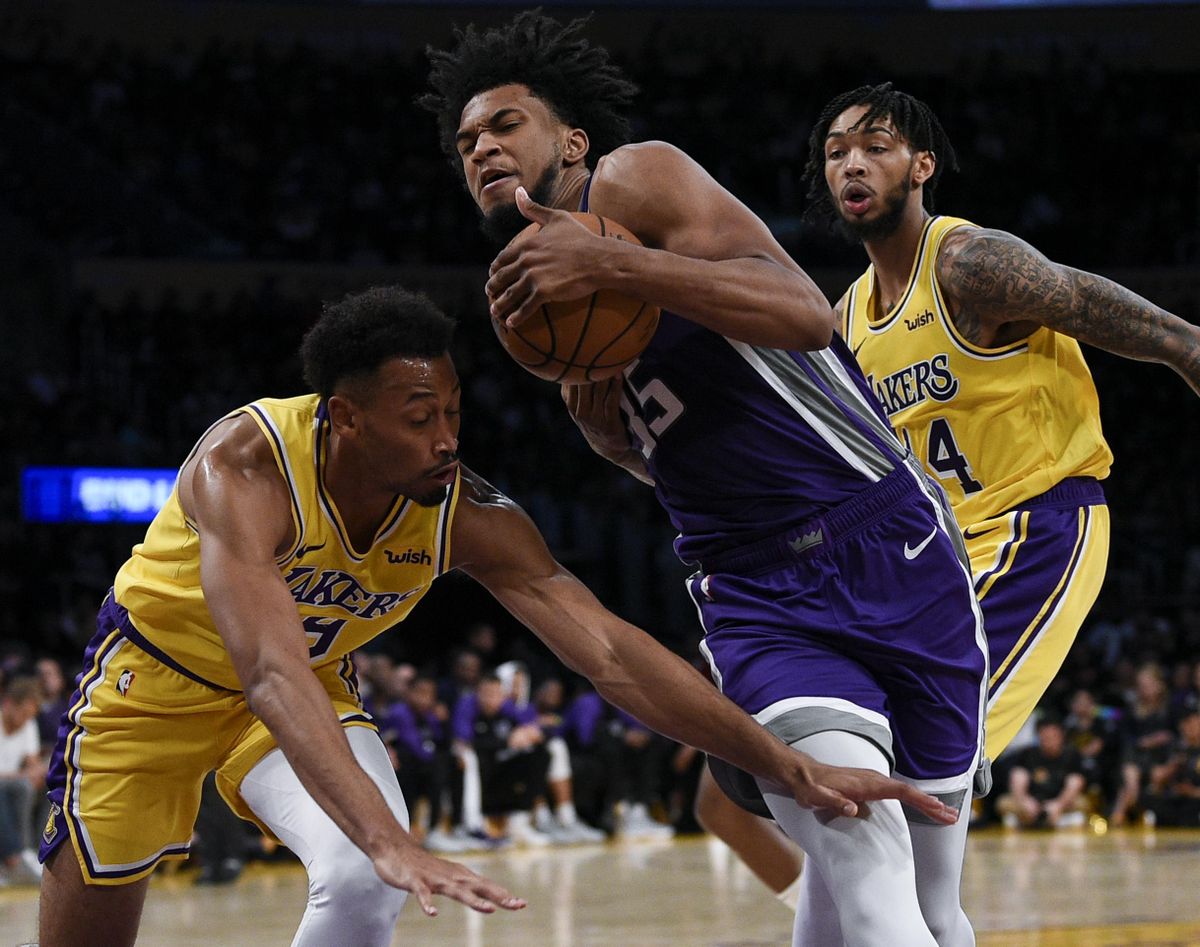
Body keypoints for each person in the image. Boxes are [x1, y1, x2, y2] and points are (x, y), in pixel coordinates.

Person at [37, 285, 953, 947]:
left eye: (454, 410)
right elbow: (267, 666)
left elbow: (610, 653)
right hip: (149, 691)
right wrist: (394, 836)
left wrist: (785, 764)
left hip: (298, 696)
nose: (447, 437)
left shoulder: (465, 511)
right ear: (346, 419)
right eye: (419, 416)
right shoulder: (244, 464)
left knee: (360, 881)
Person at [422, 13, 988, 945]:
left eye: (503, 125)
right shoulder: (531, 292)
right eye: (466, 141)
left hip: (889, 534)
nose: (480, 145)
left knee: (925, 899)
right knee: (865, 865)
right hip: (755, 589)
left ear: (569, 141)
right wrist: (608, 424)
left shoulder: (635, 178)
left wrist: (613, 260)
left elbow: (806, 315)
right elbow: (640, 452)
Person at [694, 78, 1200, 907]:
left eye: (876, 145)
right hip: (923, 557)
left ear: (922, 164)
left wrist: (1189, 349)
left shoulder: (969, 263)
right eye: (835, 152)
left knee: (898, 781)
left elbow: (1094, 305)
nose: (852, 163)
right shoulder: (844, 318)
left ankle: (897, 917)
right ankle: (852, 913)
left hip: (1033, 529)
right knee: (751, 771)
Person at [994, 715, 1087, 829]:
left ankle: (1033, 822)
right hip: (1031, 801)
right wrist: (1025, 801)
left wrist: (1059, 804)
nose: (1049, 741)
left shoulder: (1071, 755)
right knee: (1003, 802)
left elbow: (1077, 781)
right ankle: (1051, 822)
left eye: (1053, 737)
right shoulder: (1027, 754)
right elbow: (1017, 776)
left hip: (1059, 801)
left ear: (1061, 736)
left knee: (1082, 802)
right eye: (1045, 737)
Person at [0, 677, 46, 885]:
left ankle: (38, 853)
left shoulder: (28, 725)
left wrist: (38, 772)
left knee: (45, 787)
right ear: (9, 704)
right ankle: (16, 857)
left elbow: (33, 765)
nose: (26, 720)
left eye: (30, 716)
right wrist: (24, 775)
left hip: (13, 784)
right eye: (24, 714)